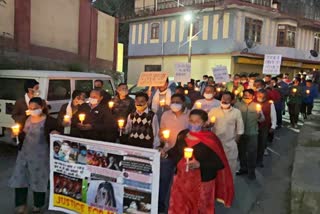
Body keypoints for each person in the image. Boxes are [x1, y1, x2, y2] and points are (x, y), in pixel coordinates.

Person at [167, 109, 234, 213]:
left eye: (197, 121)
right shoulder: (182, 135)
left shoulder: (211, 139)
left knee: (201, 208)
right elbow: (175, 151)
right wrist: (165, 153)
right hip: (182, 180)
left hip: (203, 182)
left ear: (204, 123)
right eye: (191, 121)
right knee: (180, 206)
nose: (193, 124)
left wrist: (200, 164)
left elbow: (218, 164)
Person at [9, 97, 60, 214]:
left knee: (39, 179)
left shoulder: (50, 121)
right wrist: (14, 135)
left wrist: (55, 134)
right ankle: (21, 204)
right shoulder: (25, 119)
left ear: (42, 107)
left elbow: (58, 138)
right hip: (24, 154)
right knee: (20, 179)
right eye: (30, 108)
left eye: (35, 108)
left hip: (41, 155)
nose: (32, 111)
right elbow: (19, 135)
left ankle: (38, 204)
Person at [158, 94, 190, 213]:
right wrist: (162, 138)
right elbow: (161, 132)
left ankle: (181, 205)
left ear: (184, 103)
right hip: (168, 152)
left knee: (182, 181)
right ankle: (161, 204)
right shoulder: (166, 115)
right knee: (164, 179)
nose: (175, 104)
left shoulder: (190, 115)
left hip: (184, 153)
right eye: (173, 101)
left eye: (178, 102)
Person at [208, 92, 244, 174]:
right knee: (216, 168)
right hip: (216, 143)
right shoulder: (214, 111)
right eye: (223, 98)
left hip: (230, 144)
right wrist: (209, 125)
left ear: (232, 101)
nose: (224, 101)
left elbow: (240, 129)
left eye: (227, 99)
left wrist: (235, 142)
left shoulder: (236, 112)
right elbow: (206, 124)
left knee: (230, 169)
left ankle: (229, 186)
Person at [235, 89, 264, 180]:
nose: (246, 97)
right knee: (241, 152)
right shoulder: (237, 105)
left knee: (252, 153)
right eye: (245, 95)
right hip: (240, 132)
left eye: (248, 95)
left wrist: (259, 115)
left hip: (252, 133)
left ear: (253, 96)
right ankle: (243, 168)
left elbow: (262, 119)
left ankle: (251, 171)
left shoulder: (257, 106)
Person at [256, 90, 277, 167]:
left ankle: (259, 160)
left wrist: (273, 126)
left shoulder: (269, 104)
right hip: (253, 126)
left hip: (264, 126)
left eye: (263, 96)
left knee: (262, 144)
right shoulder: (253, 103)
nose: (261, 97)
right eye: (259, 96)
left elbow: (273, 116)